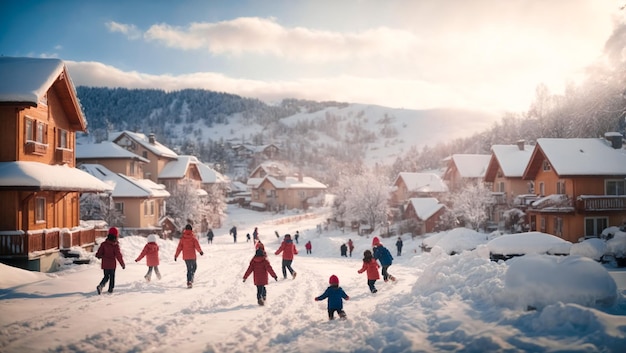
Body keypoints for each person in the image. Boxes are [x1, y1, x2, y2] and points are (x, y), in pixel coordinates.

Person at [95, 229, 125, 294]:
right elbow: (118, 255)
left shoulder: (104, 244)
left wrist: (98, 255)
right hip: (112, 265)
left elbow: (99, 252)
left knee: (106, 276)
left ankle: (101, 285)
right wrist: (122, 263)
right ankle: (110, 289)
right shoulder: (115, 245)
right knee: (112, 277)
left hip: (105, 264)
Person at [175, 224, 204, 288]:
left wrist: (176, 255)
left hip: (186, 257)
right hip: (192, 256)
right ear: (191, 230)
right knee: (194, 267)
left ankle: (189, 280)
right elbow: (197, 246)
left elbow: (179, 248)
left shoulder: (182, 239)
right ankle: (191, 278)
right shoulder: (193, 238)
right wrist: (200, 252)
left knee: (189, 269)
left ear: (185, 230)